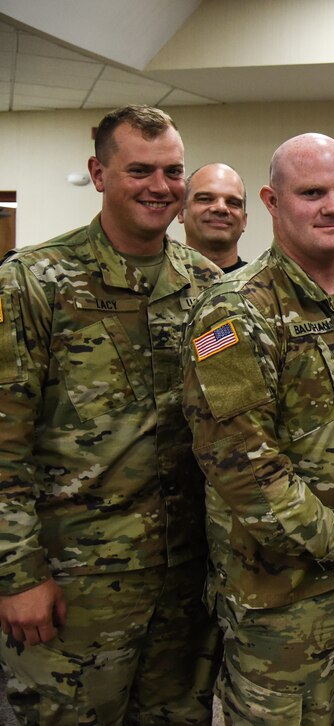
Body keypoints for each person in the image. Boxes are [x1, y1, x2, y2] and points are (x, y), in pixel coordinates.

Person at [181, 133, 334, 724]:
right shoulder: (232, 313)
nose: (333, 206)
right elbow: (241, 464)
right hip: (282, 603)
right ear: (271, 202)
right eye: (312, 192)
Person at [0, 105, 221, 723]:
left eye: (173, 170)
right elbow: (2, 443)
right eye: (140, 170)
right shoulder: (32, 283)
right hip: (76, 580)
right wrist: (16, 574)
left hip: (185, 578)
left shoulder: (206, 287)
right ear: (99, 174)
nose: (161, 187)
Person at [178, 162, 249, 272]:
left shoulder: (267, 286)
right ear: (181, 212)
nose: (221, 208)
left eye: (233, 202)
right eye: (205, 199)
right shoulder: (153, 283)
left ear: (244, 221)